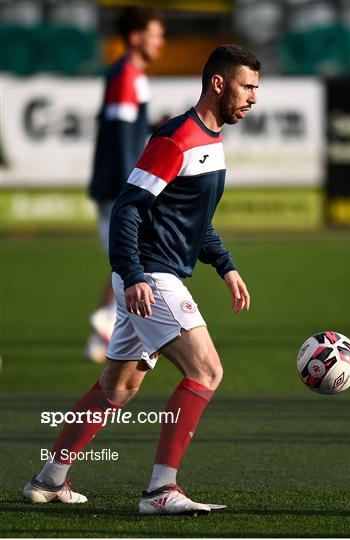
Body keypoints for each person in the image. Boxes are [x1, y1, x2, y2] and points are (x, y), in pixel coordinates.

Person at [24, 44, 260, 515]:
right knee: (206, 370)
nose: (254, 97)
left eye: (257, 88)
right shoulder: (177, 139)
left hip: (154, 275)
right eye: (248, 86)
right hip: (152, 276)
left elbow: (195, 222)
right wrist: (132, 274)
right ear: (218, 83)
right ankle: (160, 491)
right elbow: (128, 207)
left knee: (117, 390)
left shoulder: (210, 140)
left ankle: (49, 479)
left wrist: (226, 265)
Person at [87, 6, 165, 363]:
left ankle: (102, 335)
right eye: (155, 34)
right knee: (135, 262)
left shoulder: (132, 75)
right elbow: (119, 137)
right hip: (119, 188)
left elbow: (126, 131)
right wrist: (130, 193)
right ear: (135, 38)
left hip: (120, 185)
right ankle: (110, 327)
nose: (161, 41)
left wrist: (153, 128)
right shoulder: (126, 76)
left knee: (125, 261)